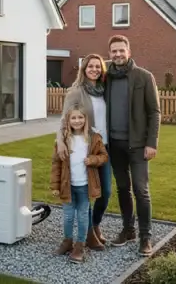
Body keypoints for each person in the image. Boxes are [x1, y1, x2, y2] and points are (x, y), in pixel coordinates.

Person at [104, 34, 161, 256]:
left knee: (141, 190)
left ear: (129, 52)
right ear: (109, 54)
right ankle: (128, 230)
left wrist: (151, 143)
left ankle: (145, 237)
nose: (118, 54)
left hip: (138, 145)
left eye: (121, 50)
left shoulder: (144, 77)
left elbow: (154, 112)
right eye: (114, 51)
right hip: (114, 144)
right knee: (122, 188)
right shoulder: (106, 77)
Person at [54, 54, 111, 251]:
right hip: (85, 148)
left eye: (98, 66)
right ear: (84, 69)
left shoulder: (104, 90)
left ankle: (94, 224)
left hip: (104, 147)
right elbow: (64, 119)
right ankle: (89, 235)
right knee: (87, 190)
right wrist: (60, 141)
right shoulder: (76, 92)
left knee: (105, 192)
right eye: (90, 66)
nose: (94, 69)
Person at [50, 104, 108, 264]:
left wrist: (93, 160)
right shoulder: (63, 140)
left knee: (83, 216)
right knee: (68, 216)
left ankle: (80, 245)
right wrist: (55, 186)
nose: (77, 121)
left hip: (84, 186)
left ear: (86, 119)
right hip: (67, 186)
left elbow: (104, 156)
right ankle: (67, 241)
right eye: (73, 118)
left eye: (80, 117)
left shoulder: (94, 138)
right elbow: (56, 164)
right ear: (68, 120)